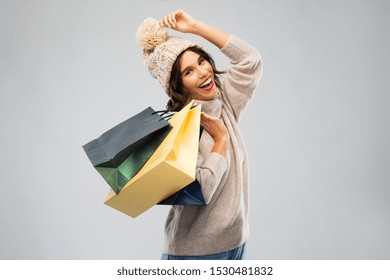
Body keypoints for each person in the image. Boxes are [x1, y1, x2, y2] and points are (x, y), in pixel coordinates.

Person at [136, 10, 262, 260]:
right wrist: (220, 141)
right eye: (188, 72)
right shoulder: (180, 129)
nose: (203, 72)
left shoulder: (223, 100)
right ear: (178, 86)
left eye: (202, 61)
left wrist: (196, 27)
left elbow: (250, 60)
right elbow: (199, 192)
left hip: (236, 244)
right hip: (196, 253)